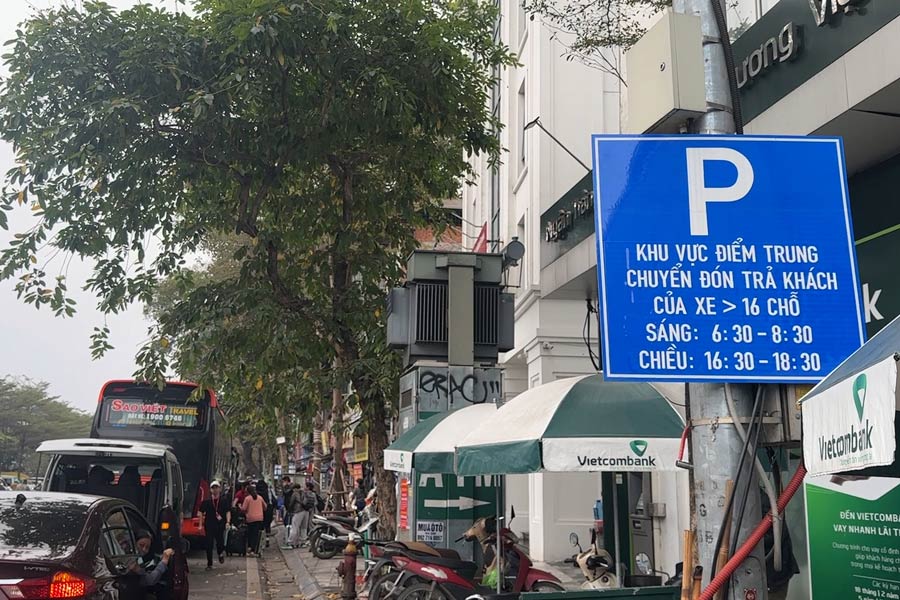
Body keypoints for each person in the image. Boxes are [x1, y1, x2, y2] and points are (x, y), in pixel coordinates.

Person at [131, 530, 175, 600]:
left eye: (147, 547)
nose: (144, 549)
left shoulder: (139, 559)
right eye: (141, 545)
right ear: (134, 543)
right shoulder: (132, 560)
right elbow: (149, 580)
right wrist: (164, 561)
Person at [199, 480, 231, 569]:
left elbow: (228, 511)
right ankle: (209, 563)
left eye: (216, 488)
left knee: (220, 542)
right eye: (213, 488)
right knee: (208, 544)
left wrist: (228, 522)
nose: (215, 490)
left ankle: (220, 553)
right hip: (209, 525)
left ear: (220, 489)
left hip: (220, 525)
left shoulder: (224, 500)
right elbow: (200, 512)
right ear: (210, 490)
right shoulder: (207, 501)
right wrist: (200, 525)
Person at [285, 482, 316, 549]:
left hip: (298, 511)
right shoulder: (307, 493)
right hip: (306, 511)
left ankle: (291, 542)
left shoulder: (296, 493)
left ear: (295, 488)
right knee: (304, 528)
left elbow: (291, 503)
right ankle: (303, 542)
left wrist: (289, 510)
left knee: (295, 527)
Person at [241, 484, 268, 556]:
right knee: (255, 534)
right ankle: (253, 549)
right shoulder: (260, 498)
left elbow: (243, 509)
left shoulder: (247, 499)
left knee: (250, 533)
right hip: (259, 518)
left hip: (250, 518)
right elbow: (265, 507)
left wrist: (240, 507)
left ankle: (250, 548)